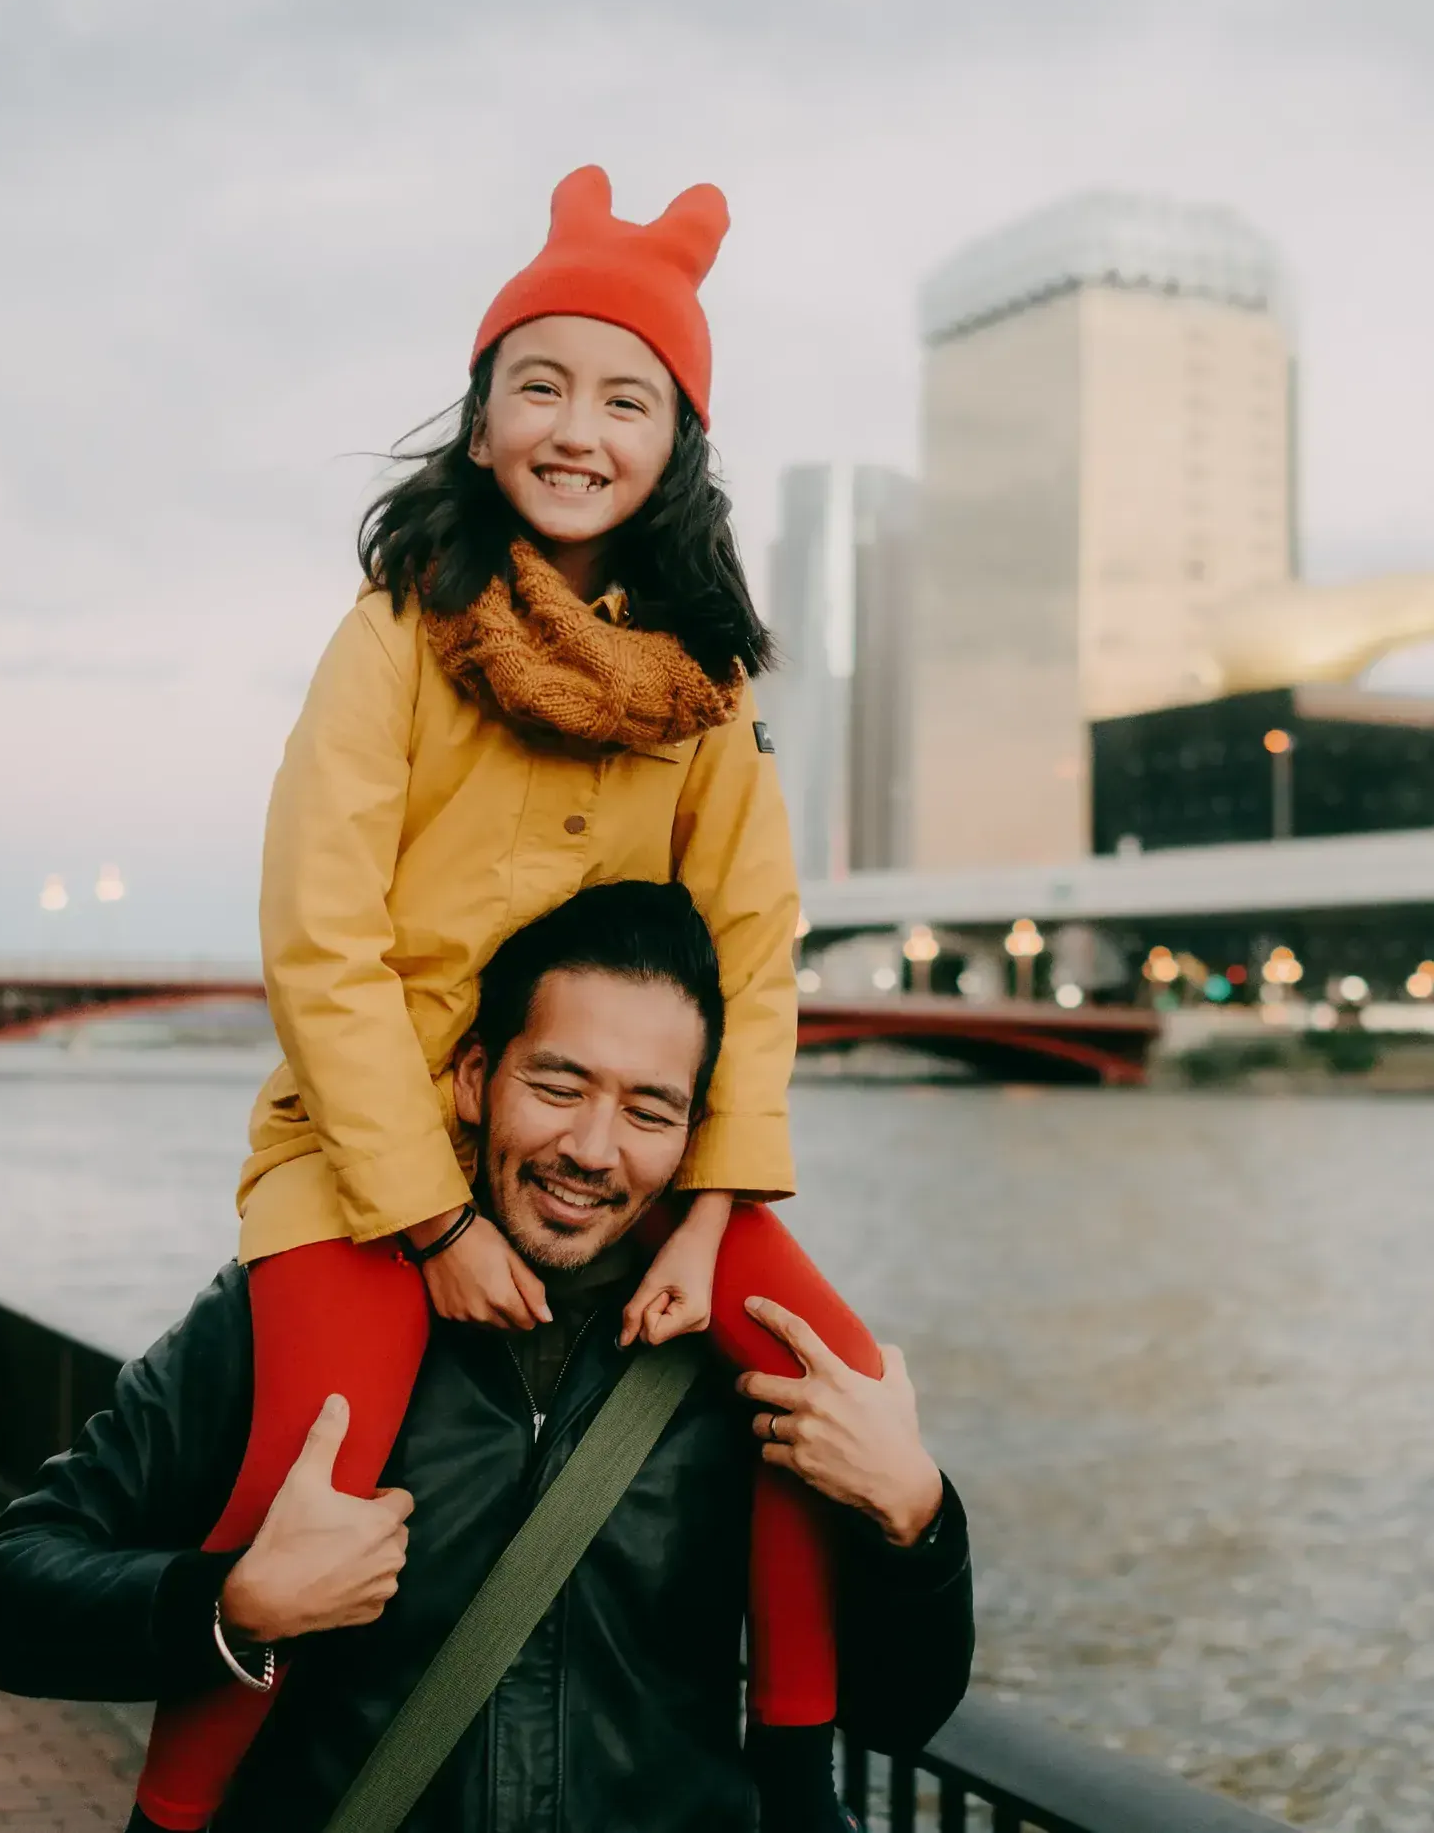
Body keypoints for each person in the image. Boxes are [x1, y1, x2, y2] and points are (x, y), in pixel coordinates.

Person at [142, 166, 885, 1830]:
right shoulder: (401, 627)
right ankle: (168, 1820)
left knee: (815, 1368)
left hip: (614, 1133)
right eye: (538, 386)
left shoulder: (704, 684)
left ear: (675, 446)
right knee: (299, 1481)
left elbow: (754, 948)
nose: (577, 427)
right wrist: (425, 1215)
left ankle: (801, 1776)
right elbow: (317, 926)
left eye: (628, 398)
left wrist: (710, 1215)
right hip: (370, 1144)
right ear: (479, 425)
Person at [0, 883, 973, 1832]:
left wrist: (915, 1516)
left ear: (696, 1135)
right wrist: (234, 1603)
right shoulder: (294, 1322)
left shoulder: (747, 1364)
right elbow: (2, 1598)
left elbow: (898, 1715)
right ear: (478, 1078)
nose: (593, 1148)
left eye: (648, 1111)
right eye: (559, 1084)